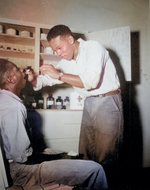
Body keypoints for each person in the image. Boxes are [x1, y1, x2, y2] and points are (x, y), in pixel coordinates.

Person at [0, 59, 108, 190]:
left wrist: (56, 156)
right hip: (21, 171)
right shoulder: (14, 107)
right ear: (11, 79)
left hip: (13, 166)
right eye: (17, 69)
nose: (22, 71)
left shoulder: (5, 100)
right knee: (95, 169)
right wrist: (54, 158)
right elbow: (21, 157)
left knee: (67, 156)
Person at [29, 25, 124, 167]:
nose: (58, 53)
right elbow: (46, 80)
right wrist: (33, 79)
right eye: (55, 50)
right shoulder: (66, 61)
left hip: (108, 101)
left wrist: (59, 75)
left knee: (106, 155)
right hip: (89, 104)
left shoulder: (93, 48)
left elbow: (90, 81)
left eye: (60, 48)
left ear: (70, 39)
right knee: (85, 153)